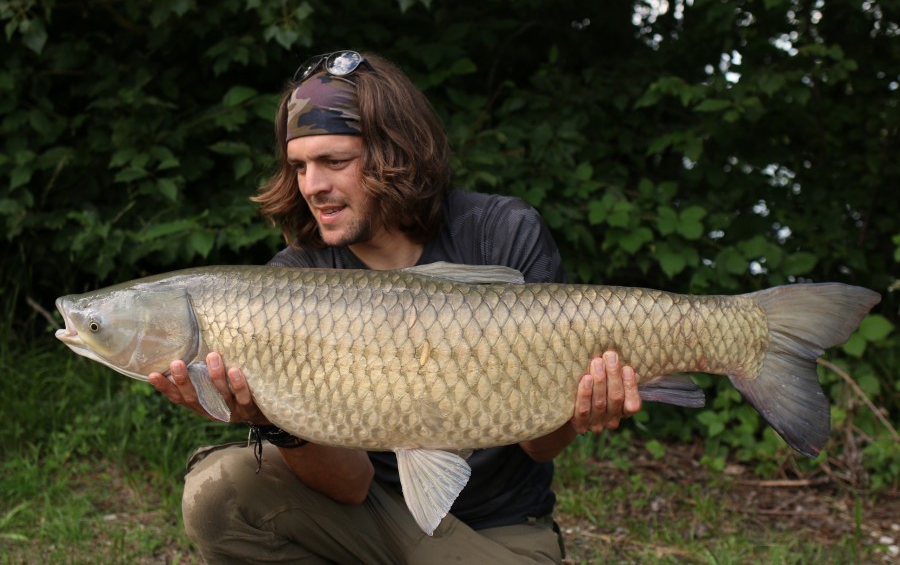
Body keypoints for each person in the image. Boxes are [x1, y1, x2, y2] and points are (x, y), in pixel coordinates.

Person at [149, 50, 642, 564]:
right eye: (299, 166)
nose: (312, 186)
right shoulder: (294, 283)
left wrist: (580, 406)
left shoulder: (500, 233)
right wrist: (272, 421)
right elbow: (349, 486)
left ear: (396, 152)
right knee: (219, 491)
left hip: (500, 528)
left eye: (335, 162)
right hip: (365, 521)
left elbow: (539, 447)